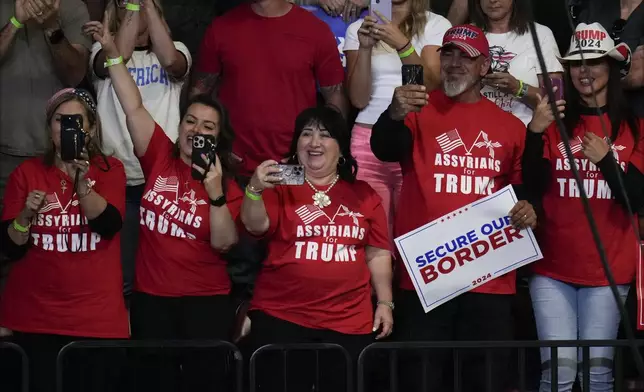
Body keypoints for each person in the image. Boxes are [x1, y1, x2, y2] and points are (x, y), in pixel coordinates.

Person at [371, 24, 536, 391]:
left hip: (488, 277)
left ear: (484, 66)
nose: (456, 63)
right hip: (427, 273)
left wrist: (528, 209)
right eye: (449, 53)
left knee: (486, 380)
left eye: (467, 56)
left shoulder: (511, 127)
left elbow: (523, 193)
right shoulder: (416, 109)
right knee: (421, 379)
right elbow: (384, 148)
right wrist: (393, 113)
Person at [85, 21, 242, 392]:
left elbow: (223, 243)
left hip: (205, 303)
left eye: (208, 127)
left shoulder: (229, 186)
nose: (196, 130)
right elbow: (133, 104)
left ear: (218, 139)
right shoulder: (159, 156)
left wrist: (215, 190)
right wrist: (111, 53)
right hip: (152, 299)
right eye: (190, 121)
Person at [522, 22, 642, 392]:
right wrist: (534, 133)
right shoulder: (554, 122)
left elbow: (638, 199)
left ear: (611, 68)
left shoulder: (634, 128)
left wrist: (607, 161)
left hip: (609, 270)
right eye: (576, 64)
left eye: (593, 62)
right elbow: (532, 187)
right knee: (557, 374)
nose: (584, 71)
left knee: (598, 378)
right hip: (552, 268)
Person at [241, 106, 393, 391]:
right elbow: (255, 226)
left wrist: (385, 302)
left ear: (341, 147)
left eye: (325, 135)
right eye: (306, 134)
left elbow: (378, 252)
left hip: (348, 323)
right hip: (282, 317)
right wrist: (254, 189)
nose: (314, 142)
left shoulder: (364, 194)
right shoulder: (279, 186)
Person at [0, 88, 128, 392]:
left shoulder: (111, 170)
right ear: (49, 128)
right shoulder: (26, 173)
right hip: (35, 319)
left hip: (96, 321)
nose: (68, 127)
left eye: (76, 120)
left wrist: (82, 184)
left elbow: (108, 225)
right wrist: (25, 216)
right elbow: (9, 248)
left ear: (91, 128)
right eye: (60, 120)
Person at [86, 0, 191, 304]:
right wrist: (134, 6)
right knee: (122, 276)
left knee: (163, 271)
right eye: (124, 3)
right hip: (118, 182)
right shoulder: (101, 50)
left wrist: (147, 6)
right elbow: (119, 55)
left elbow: (172, 62)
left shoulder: (178, 48)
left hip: (164, 183)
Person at [344, 0, 451, 237]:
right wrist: (364, 48)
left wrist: (402, 44)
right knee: (371, 230)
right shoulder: (359, 28)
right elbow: (358, 100)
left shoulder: (436, 24)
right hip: (367, 138)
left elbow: (431, 85)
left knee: (415, 229)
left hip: (415, 137)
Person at [0, 0, 90, 201]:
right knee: (10, 231)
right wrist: (15, 22)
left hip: (57, 152)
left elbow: (75, 75)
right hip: (3, 152)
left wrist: (51, 27)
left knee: (54, 228)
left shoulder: (73, 7)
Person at [469, 0, 563, 126]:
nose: (492, 0)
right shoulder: (467, 34)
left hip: (527, 130)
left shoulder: (540, 34)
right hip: (475, 130)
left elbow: (556, 100)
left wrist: (518, 88)